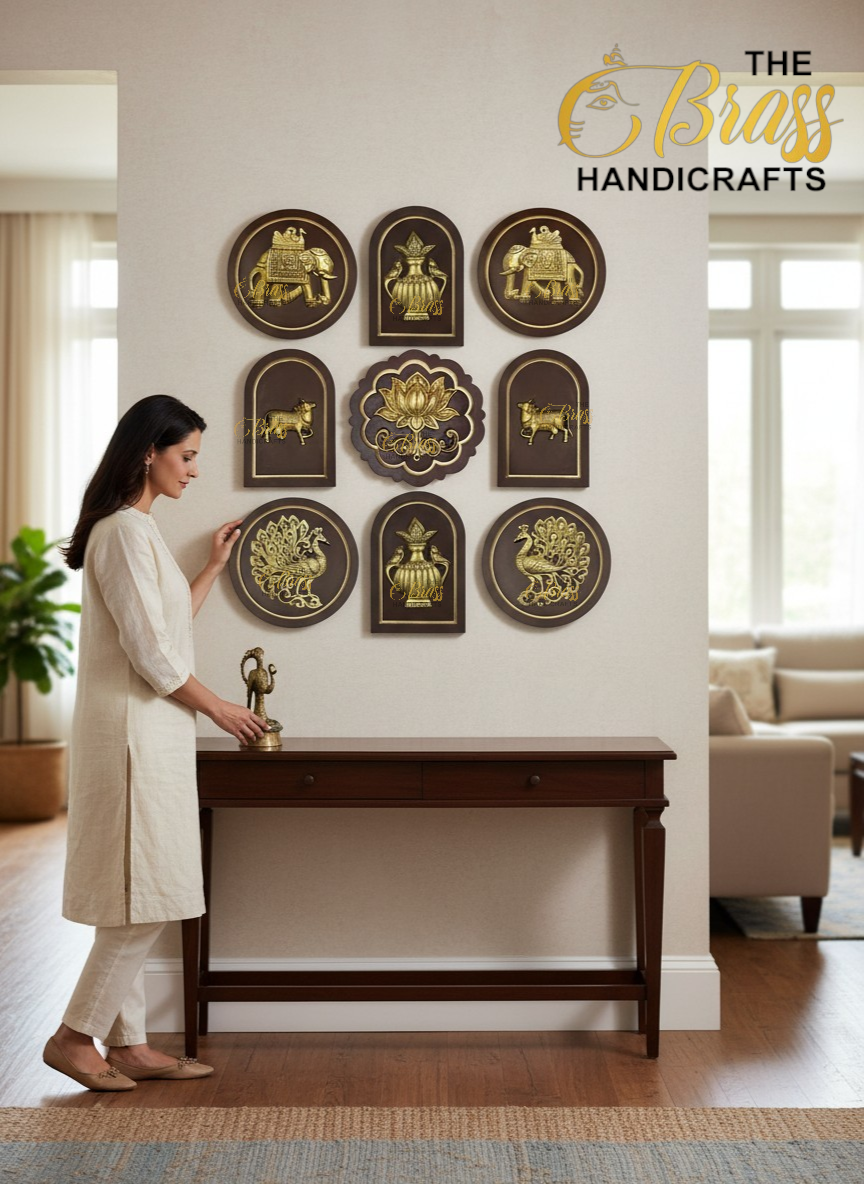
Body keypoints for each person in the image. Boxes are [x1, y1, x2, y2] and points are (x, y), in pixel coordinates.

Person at [43, 394, 269, 1092]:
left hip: (153, 731)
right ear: (150, 452)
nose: (194, 471)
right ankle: (75, 1036)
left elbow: (163, 632)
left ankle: (130, 1043)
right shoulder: (120, 533)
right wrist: (223, 709)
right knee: (149, 891)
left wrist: (210, 570)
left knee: (139, 889)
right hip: (134, 735)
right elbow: (154, 657)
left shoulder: (139, 533)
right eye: (188, 455)